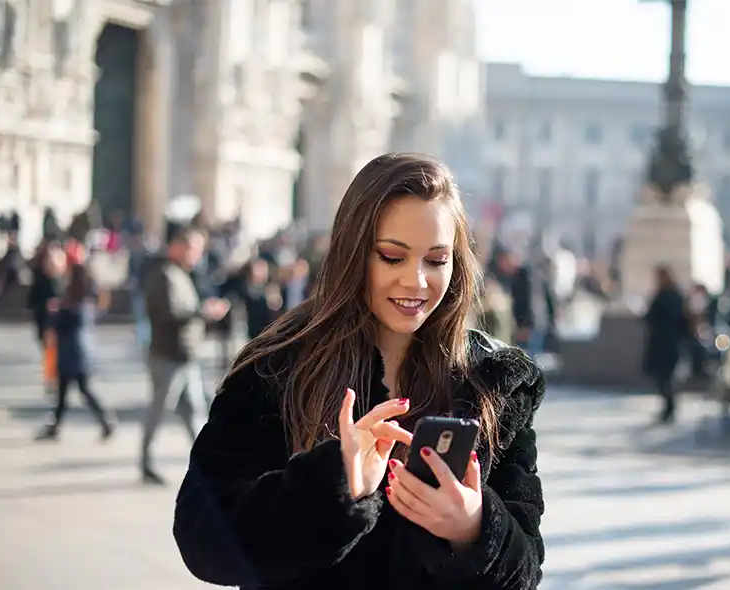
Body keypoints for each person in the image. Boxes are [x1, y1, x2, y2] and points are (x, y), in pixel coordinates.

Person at [172, 153, 546, 589]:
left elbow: (526, 568)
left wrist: (475, 526)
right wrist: (331, 486)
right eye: (392, 257)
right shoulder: (277, 368)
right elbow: (203, 537)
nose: (416, 281)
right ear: (354, 252)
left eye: (436, 260)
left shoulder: (495, 380)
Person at [141, 221, 230, 485]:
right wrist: (204, 312)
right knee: (160, 409)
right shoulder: (165, 276)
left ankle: (207, 463)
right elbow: (166, 313)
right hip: (168, 356)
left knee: (195, 411)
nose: (197, 255)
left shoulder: (182, 275)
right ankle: (146, 461)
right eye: (193, 249)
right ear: (177, 247)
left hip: (186, 357)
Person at [34, 264, 116, 441]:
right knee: (69, 392)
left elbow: (57, 324)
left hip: (71, 354)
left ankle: (104, 420)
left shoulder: (70, 305)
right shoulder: (86, 302)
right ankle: (58, 426)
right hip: (81, 353)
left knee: (77, 391)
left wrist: (53, 313)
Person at [643, 265, 689, 424]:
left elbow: (650, 317)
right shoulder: (677, 296)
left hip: (662, 342)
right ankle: (669, 409)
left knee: (664, 379)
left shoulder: (663, 296)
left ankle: (669, 409)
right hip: (672, 342)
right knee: (668, 378)